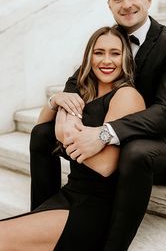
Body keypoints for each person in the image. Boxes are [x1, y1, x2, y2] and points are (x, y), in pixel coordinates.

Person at [30, 0, 166, 251]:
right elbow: (75, 85)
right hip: (113, 125)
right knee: (42, 134)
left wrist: (105, 133)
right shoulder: (108, 40)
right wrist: (61, 105)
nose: (126, 4)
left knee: (136, 152)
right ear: (109, 4)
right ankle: (43, 216)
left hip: (160, 141)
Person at [0, 26, 146, 251]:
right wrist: (56, 100)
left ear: (126, 57)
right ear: (89, 56)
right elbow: (41, 130)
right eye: (99, 52)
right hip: (70, 194)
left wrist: (63, 133)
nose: (107, 60)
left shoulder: (126, 95)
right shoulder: (84, 92)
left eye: (115, 53)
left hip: (92, 209)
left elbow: (106, 165)